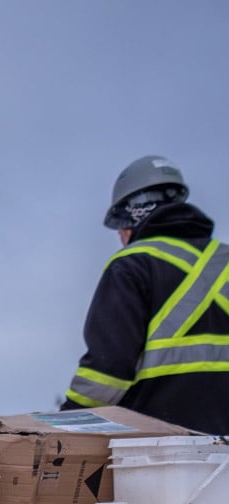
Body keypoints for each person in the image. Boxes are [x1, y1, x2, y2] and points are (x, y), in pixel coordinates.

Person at [62, 154, 229, 434]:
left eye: (120, 224)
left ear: (135, 212)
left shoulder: (132, 264)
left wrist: (65, 423)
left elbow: (108, 370)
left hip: (162, 453)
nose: (119, 236)